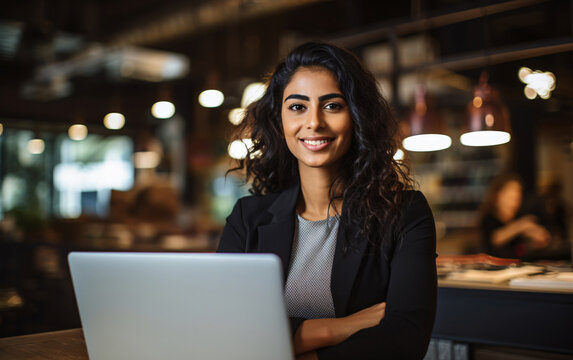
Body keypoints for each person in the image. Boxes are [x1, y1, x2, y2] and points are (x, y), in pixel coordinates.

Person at [217, 42, 437, 360]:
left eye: (332, 106)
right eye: (297, 107)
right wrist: (335, 328)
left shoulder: (404, 214)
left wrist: (292, 348)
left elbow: (404, 342)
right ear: (279, 121)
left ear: (357, 117)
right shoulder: (247, 219)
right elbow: (225, 332)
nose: (314, 122)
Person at [478, 173, 551, 259]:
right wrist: (521, 226)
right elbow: (495, 239)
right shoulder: (489, 217)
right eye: (510, 197)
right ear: (497, 195)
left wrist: (537, 239)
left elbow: (525, 245)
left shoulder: (518, 216)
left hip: (517, 266)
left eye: (516, 198)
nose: (513, 203)